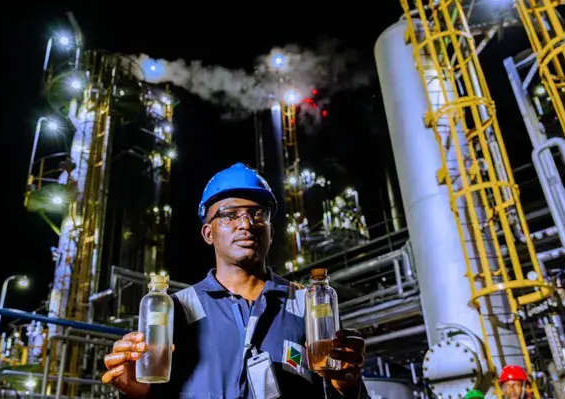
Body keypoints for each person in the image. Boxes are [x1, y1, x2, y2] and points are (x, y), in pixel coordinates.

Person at [101, 163, 370, 398]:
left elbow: (340, 388)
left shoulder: (308, 306)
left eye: (257, 213)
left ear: (270, 231)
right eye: (229, 214)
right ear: (208, 233)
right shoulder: (174, 311)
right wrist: (138, 393)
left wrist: (348, 387)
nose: (246, 224)